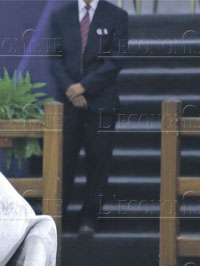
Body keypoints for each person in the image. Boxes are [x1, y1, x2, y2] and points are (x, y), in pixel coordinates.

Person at [48, 0, 128, 238]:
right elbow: (55, 58)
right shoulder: (60, 15)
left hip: (101, 103)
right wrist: (71, 89)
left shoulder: (117, 16)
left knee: (98, 161)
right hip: (68, 102)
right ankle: (57, 215)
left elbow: (116, 60)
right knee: (64, 161)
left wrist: (84, 87)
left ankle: (89, 218)